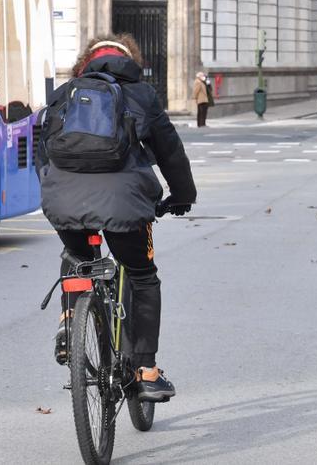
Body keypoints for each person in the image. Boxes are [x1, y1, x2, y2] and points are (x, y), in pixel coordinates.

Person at [36, 33, 197, 402]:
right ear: (131, 62)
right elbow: (169, 150)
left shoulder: (64, 93)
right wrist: (183, 195)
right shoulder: (141, 95)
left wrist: (54, 197)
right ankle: (146, 370)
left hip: (64, 202)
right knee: (142, 276)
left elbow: (44, 156)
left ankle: (69, 320)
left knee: (77, 259)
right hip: (124, 206)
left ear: (84, 62)